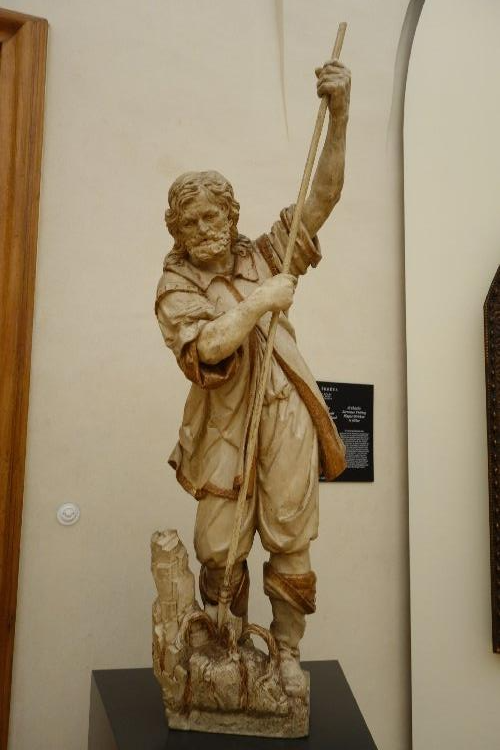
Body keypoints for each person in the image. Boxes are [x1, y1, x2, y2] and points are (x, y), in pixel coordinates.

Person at [155, 59, 350, 696]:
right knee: (219, 546)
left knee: (291, 538)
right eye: (191, 223)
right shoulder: (176, 285)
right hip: (223, 425)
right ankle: (227, 644)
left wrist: (340, 116)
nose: (205, 230)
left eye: (214, 217)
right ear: (177, 232)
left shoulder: (266, 254)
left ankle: (287, 653)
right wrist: (261, 302)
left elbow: (321, 199)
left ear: (231, 216)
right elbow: (207, 345)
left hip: (284, 407)